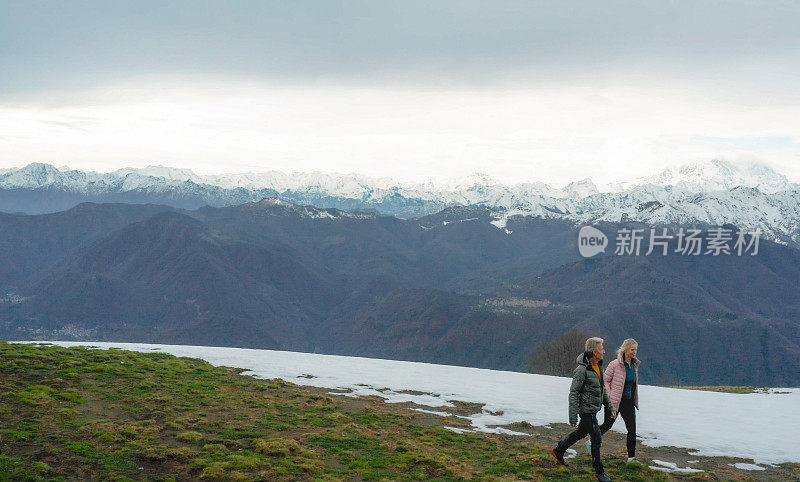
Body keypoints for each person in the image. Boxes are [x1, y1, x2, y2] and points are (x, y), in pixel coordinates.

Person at [551, 337, 616, 482]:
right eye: (601, 349)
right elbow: (574, 393)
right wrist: (573, 416)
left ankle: (558, 450)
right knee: (596, 438)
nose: (604, 351)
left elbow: (602, 390)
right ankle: (599, 472)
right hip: (586, 411)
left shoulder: (599, 367)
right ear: (594, 352)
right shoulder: (581, 370)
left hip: (593, 409)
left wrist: (610, 406)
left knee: (581, 433)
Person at [599, 338, 640, 463]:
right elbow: (605, 381)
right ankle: (592, 440)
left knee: (632, 430)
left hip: (628, 402)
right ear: (626, 349)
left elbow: (633, 384)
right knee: (607, 425)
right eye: (632, 350)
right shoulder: (614, 364)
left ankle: (631, 458)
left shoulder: (634, 365)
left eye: (635, 350)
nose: (634, 352)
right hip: (615, 401)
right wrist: (610, 398)